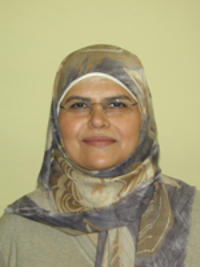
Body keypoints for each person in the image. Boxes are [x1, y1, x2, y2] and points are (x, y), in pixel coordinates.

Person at [0, 44, 199, 267]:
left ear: (144, 117)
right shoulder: (18, 230)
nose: (97, 120)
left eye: (116, 104)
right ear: (57, 123)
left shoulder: (193, 215)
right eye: (79, 105)